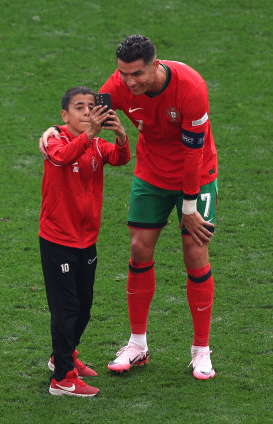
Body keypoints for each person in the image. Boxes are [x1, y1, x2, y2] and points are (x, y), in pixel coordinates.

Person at [40, 34, 218, 380]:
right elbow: (86, 113)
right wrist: (56, 131)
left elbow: (194, 151)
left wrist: (189, 206)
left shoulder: (191, 87)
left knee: (195, 253)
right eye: (123, 74)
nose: (129, 82)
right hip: (151, 174)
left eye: (137, 74)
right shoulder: (116, 87)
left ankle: (201, 350)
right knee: (138, 250)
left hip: (196, 173)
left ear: (155, 64)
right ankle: (137, 344)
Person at [39, 86, 130, 397]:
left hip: (86, 240)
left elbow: (120, 158)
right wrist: (89, 135)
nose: (87, 112)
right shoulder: (54, 140)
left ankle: (62, 357)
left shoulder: (96, 144)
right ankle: (62, 379)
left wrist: (119, 135)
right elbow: (62, 158)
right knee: (66, 310)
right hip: (58, 240)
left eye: (92, 106)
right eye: (79, 107)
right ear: (65, 115)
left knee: (84, 307)